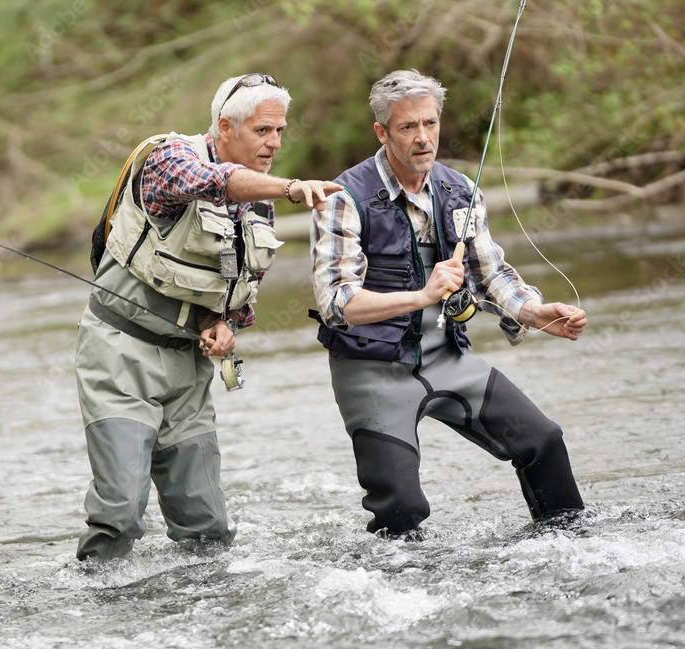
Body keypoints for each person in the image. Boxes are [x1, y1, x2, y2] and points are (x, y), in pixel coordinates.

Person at [76, 73, 341, 561]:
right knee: (120, 514)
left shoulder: (259, 200)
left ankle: (201, 609)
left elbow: (241, 285)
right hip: (121, 354)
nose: (275, 142)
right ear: (224, 126)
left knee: (207, 527)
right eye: (264, 131)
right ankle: (96, 606)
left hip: (189, 367)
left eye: (280, 131)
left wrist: (226, 324)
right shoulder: (169, 158)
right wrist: (289, 187)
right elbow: (211, 182)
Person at [310, 69, 586, 538]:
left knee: (543, 440)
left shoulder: (460, 189)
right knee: (401, 509)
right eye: (407, 127)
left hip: (448, 356)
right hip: (371, 369)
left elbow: (489, 271)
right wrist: (421, 296)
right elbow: (336, 301)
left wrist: (532, 312)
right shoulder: (344, 197)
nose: (423, 138)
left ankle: (571, 548)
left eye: (431, 124)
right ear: (382, 132)